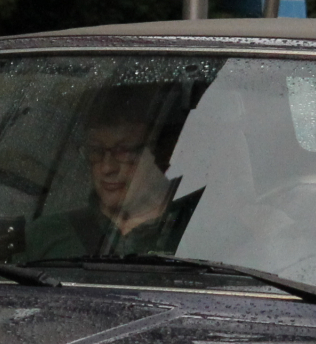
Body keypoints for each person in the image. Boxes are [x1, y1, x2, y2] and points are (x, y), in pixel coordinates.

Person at [24, 86, 199, 260]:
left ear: (165, 153)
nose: (107, 168)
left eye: (123, 151)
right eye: (96, 150)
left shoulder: (203, 234)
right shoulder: (45, 237)